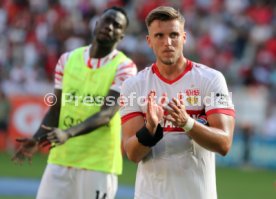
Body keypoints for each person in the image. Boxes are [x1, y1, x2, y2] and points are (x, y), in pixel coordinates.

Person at [12, 6, 137, 199]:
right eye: (107, 21)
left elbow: (106, 114)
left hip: (98, 163)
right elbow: (56, 108)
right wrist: (36, 138)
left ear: (121, 36)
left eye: (117, 25)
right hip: (61, 159)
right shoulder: (67, 59)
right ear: (96, 24)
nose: (110, 27)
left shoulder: (125, 67)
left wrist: (67, 133)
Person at [120, 6, 235, 199]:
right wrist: (150, 129)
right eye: (159, 36)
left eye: (174, 34)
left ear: (184, 37)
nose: (168, 42)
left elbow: (224, 143)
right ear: (149, 41)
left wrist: (187, 123)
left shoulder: (210, 79)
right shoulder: (134, 85)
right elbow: (132, 154)